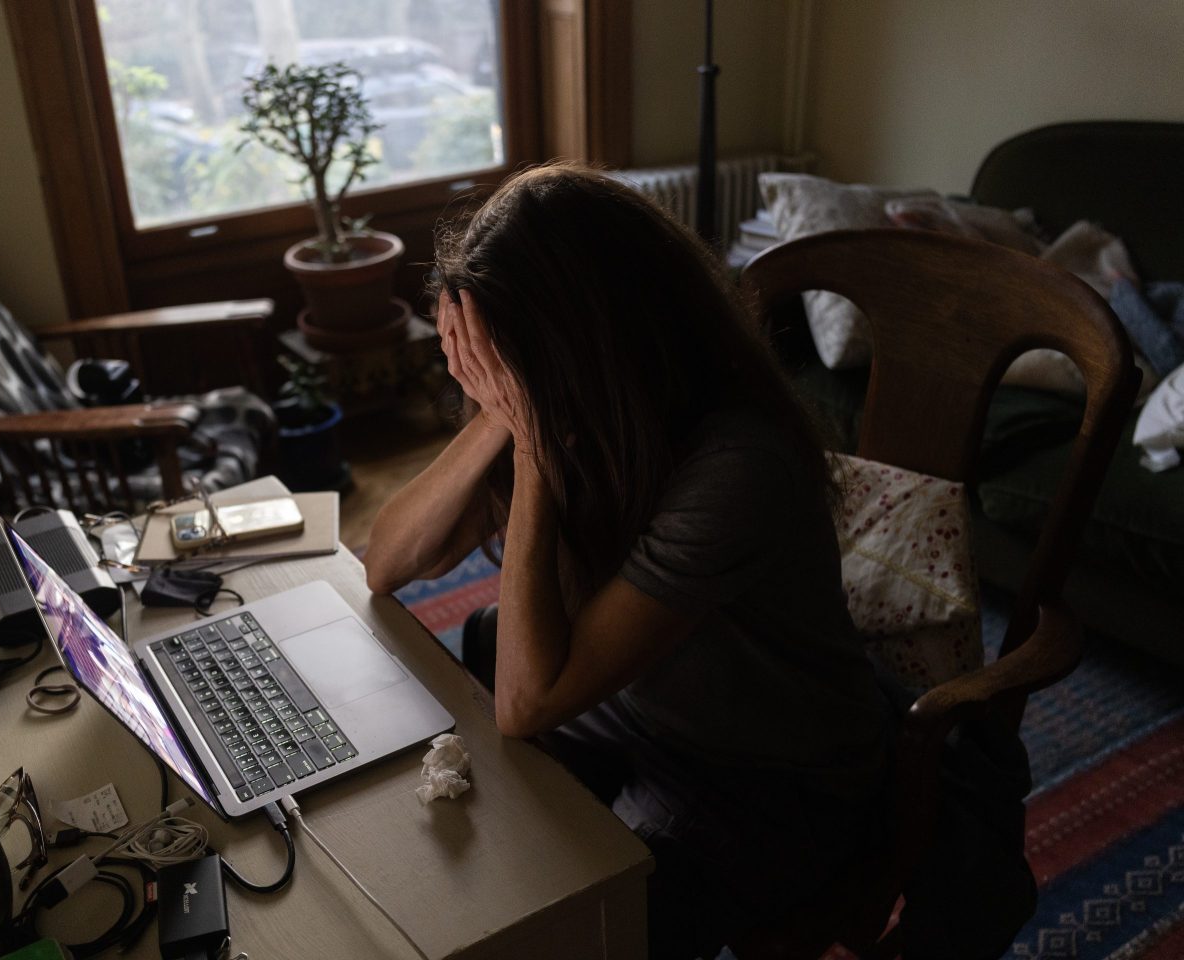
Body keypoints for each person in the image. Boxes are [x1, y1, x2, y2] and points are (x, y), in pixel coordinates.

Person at [364, 163, 890, 958]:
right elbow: (388, 563)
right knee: (477, 671)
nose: (490, 378)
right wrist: (499, 417)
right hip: (640, 705)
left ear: (592, 343)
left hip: (762, 772)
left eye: (509, 362)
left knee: (591, 928)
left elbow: (529, 703)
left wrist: (533, 445)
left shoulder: (738, 464)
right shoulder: (570, 402)